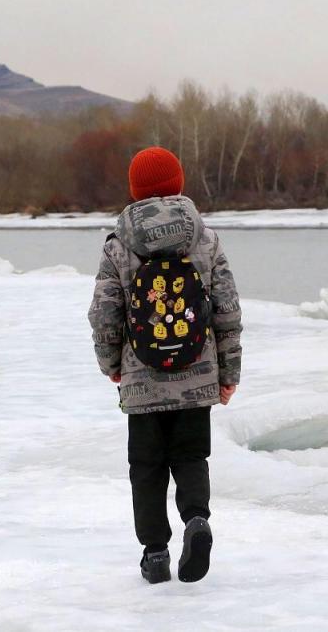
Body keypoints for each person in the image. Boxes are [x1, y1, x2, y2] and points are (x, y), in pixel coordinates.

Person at [88, 146, 242, 584]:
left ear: (135, 190)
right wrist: (228, 373)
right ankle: (196, 519)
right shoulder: (206, 240)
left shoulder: (118, 246)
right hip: (197, 374)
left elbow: (105, 314)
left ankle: (155, 553)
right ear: (178, 184)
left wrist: (111, 364)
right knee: (191, 456)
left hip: (142, 380)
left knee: (147, 467)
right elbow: (227, 311)